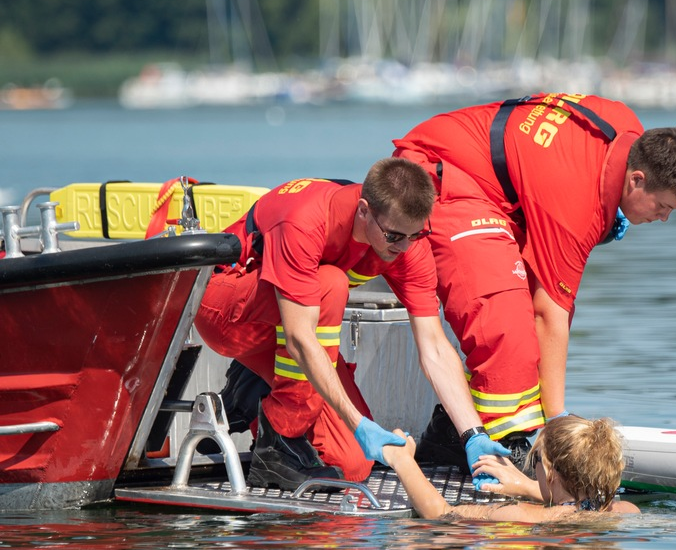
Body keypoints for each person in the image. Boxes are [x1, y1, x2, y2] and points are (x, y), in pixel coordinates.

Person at [391, 93, 676, 469]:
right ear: (636, 180)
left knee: (528, 321)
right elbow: (550, 314)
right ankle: (496, 441)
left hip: (497, 188)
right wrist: (557, 423)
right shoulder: (574, 201)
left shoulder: (627, 132)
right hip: (436, 178)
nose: (663, 219)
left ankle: (456, 430)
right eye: (663, 207)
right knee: (507, 327)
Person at [194, 157, 510, 491]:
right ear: (363, 210)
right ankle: (279, 445)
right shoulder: (305, 219)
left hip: (289, 326)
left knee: (354, 463)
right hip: (224, 312)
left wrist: (473, 435)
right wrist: (357, 422)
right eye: (394, 235)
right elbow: (301, 338)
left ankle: (253, 391)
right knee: (330, 283)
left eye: (416, 234)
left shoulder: (407, 243)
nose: (404, 247)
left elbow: (433, 346)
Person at [383, 414, 640, 521]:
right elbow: (574, 506)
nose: (532, 464)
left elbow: (440, 513)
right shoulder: (625, 510)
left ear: (550, 473)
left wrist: (403, 460)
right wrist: (527, 487)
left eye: (535, 458)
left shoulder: (521, 515)